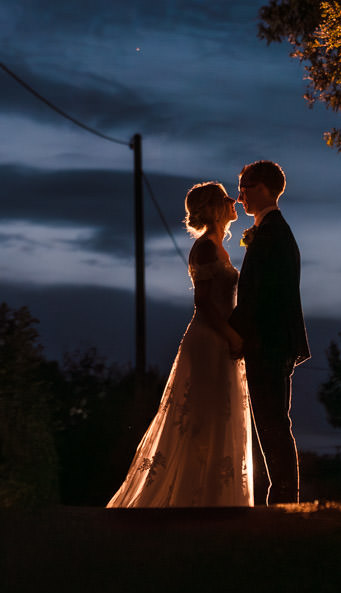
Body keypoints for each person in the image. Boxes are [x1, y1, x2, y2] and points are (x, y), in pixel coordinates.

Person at [108, 182, 253, 508]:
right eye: (226, 197)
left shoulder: (221, 246)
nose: (234, 200)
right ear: (215, 207)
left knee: (219, 413)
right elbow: (203, 302)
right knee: (200, 415)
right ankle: (190, 496)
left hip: (222, 337)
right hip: (209, 339)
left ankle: (215, 495)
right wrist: (230, 335)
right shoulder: (205, 248)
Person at [228, 160, 311, 506]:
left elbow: (261, 295)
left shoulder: (273, 233)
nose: (240, 196)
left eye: (245, 186)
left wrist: (232, 334)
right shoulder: (270, 230)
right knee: (272, 418)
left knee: (273, 419)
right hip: (271, 341)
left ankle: (284, 498)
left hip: (269, 342)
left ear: (263, 187)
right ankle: (283, 494)